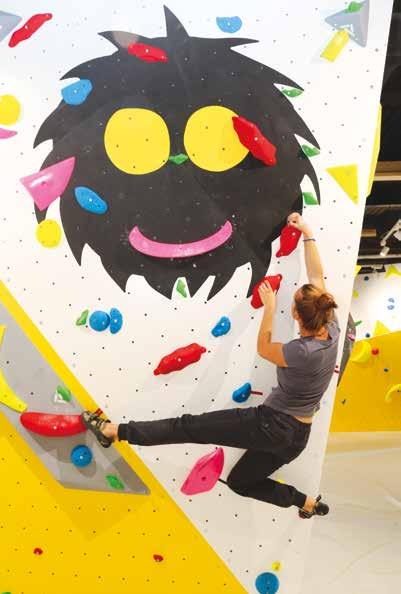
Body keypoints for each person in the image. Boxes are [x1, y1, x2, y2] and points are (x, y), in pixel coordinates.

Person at [82, 212, 340, 519]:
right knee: (241, 482)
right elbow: (317, 277)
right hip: (298, 437)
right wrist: (307, 233)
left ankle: (113, 431)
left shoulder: (302, 351)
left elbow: (264, 348)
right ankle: (306, 503)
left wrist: (269, 308)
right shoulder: (331, 328)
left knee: (188, 426)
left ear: (297, 316)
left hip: (272, 426)